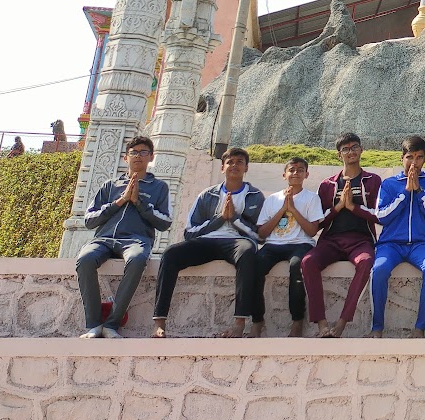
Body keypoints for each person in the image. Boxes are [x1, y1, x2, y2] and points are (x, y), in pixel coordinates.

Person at [152, 147, 264, 339]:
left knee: (248, 253)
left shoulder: (255, 195)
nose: (234, 165)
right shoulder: (207, 194)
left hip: (238, 242)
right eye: (230, 162)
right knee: (171, 254)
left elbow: (259, 235)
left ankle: (239, 323)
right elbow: (189, 232)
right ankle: (159, 322)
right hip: (207, 241)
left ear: (246, 168)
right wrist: (220, 219)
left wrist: (235, 219)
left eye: (239, 162)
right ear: (222, 167)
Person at [75, 134, 171, 339]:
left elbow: (165, 222)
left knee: (137, 260)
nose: (138, 156)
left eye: (143, 152)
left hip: (136, 240)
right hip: (104, 239)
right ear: (125, 158)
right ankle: (93, 324)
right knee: (85, 259)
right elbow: (90, 220)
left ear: (151, 157)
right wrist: (120, 201)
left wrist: (138, 202)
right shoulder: (111, 185)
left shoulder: (159, 187)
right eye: (133, 152)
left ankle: (112, 324)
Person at [303, 133, 382, 338]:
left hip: (360, 240)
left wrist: (353, 207)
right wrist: (339, 207)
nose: (351, 152)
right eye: (345, 149)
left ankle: (341, 324)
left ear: (361, 150)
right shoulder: (328, 185)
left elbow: (379, 216)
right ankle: (321, 324)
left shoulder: (372, 181)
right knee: (308, 261)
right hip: (331, 240)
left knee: (366, 262)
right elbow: (319, 221)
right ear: (339, 155)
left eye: (354, 147)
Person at [369, 136, 425, 339]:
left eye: (419, 157)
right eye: (410, 157)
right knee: (379, 269)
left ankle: (420, 328)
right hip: (391, 244)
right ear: (402, 158)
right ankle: (377, 328)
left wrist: (419, 191)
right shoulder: (389, 184)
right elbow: (381, 216)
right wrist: (404, 193)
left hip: (421, 244)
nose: (414, 162)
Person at [252, 158, 322, 337]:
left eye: (300, 170)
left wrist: (293, 210)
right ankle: (257, 320)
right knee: (254, 267)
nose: (296, 173)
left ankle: (297, 321)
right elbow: (262, 233)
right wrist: (283, 210)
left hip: (301, 244)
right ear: (284, 175)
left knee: (296, 266)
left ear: (306, 174)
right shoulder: (272, 199)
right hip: (273, 245)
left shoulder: (312, 198)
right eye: (292, 169)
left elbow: (312, 231)